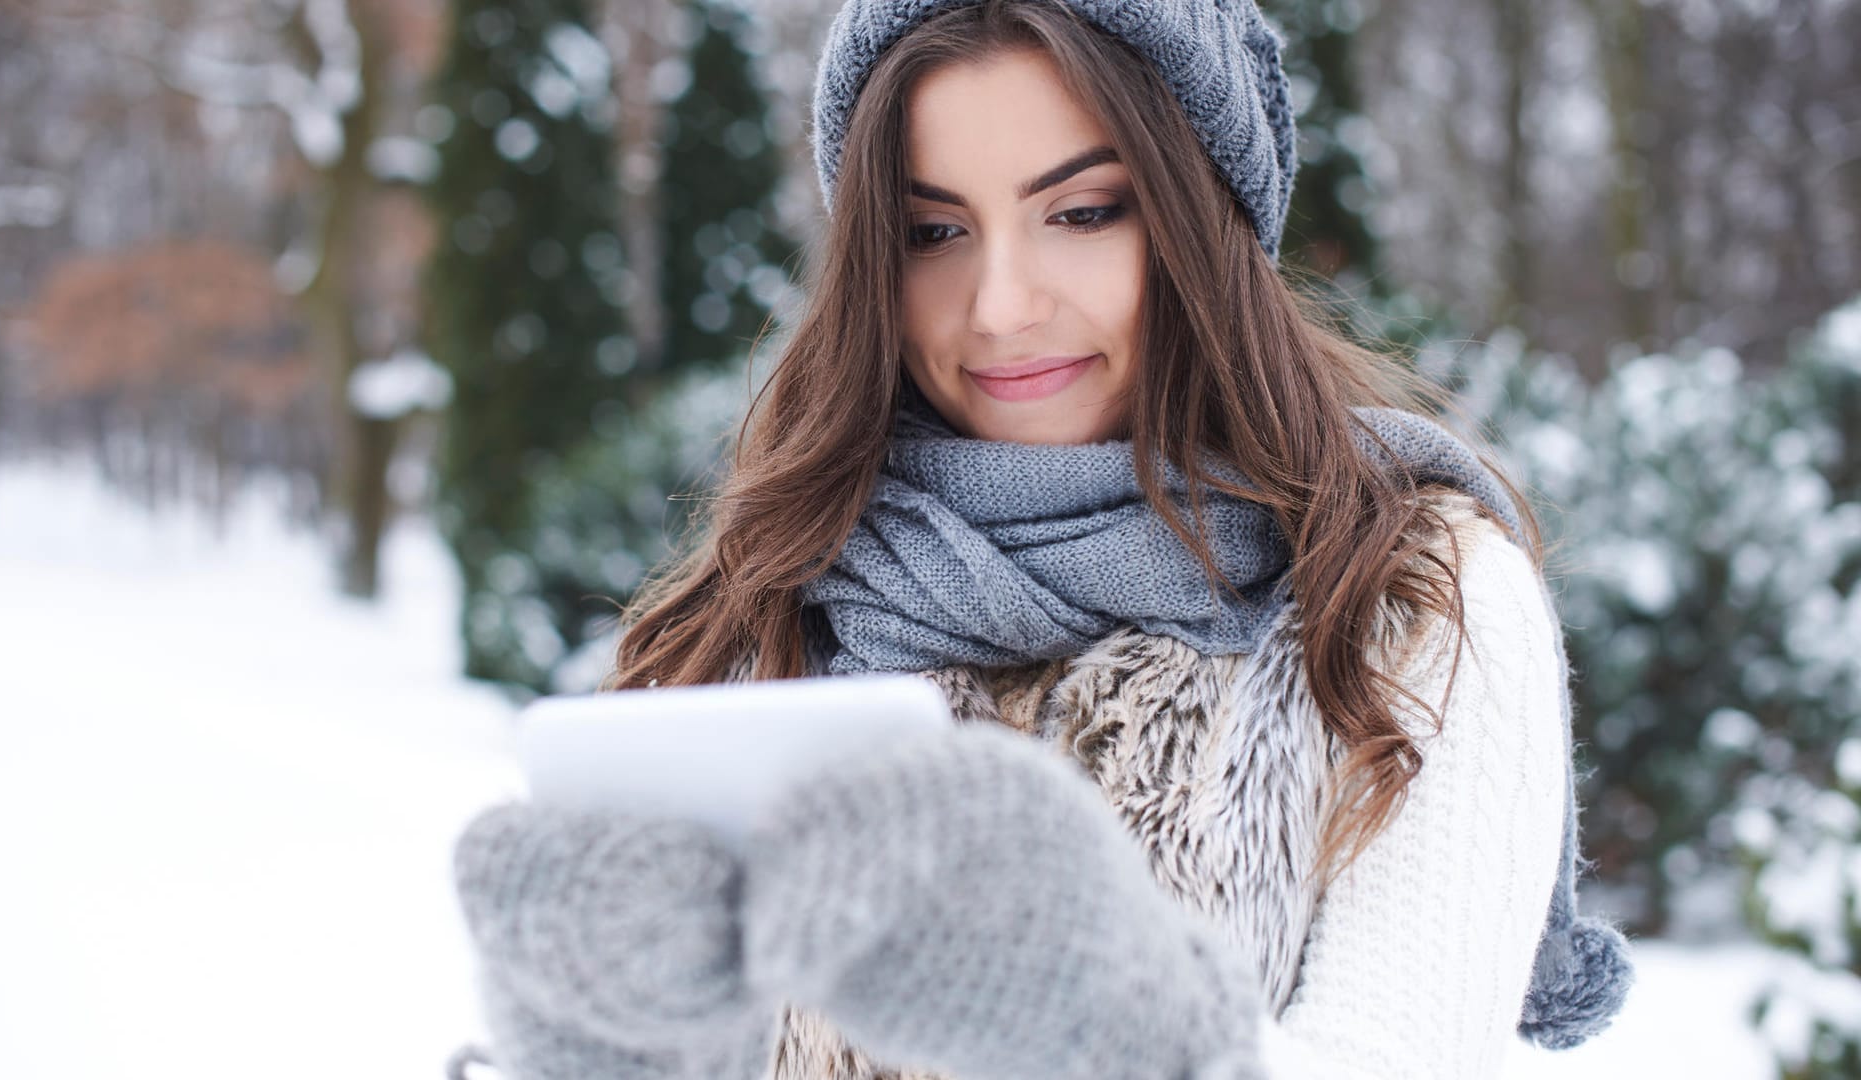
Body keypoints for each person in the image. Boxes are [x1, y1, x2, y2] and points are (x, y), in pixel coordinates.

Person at [446, 1, 1637, 1078]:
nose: (1003, 305)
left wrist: (1135, 1036)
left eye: (1081, 212)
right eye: (933, 232)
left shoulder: (1413, 595)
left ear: (1198, 215)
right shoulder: (768, 600)